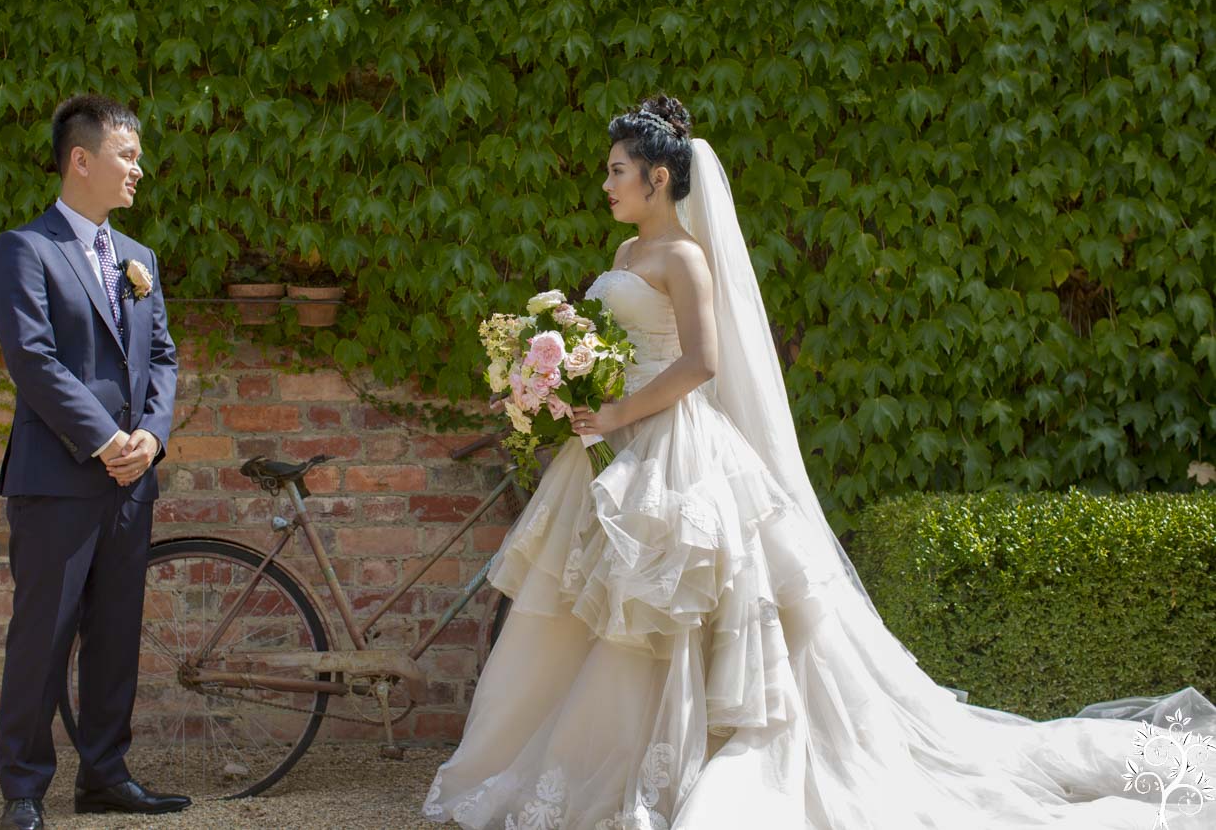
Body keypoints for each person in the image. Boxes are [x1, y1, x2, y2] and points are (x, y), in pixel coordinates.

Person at [423, 95, 1215, 829]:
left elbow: (703, 361)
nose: (606, 184)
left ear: (659, 178)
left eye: (617, 171)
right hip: (612, 443)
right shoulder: (631, 246)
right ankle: (586, 765)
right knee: (597, 609)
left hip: (670, 444)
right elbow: (623, 344)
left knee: (671, 604)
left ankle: (671, 771)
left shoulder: (688, 259)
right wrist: (569, 380)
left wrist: (622, 409)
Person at [0, 95, 188, 830]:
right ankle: (23, 789)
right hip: (58, 479)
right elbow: (32, 360)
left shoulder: (140, 260)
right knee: (42, 635)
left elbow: (162, 357)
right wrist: (106, 439)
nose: (139, 168)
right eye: (127, 155)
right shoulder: (25, 248)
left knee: (115, 636)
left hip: (132, 482)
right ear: (81, 160)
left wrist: (152, 438)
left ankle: (105, 774)